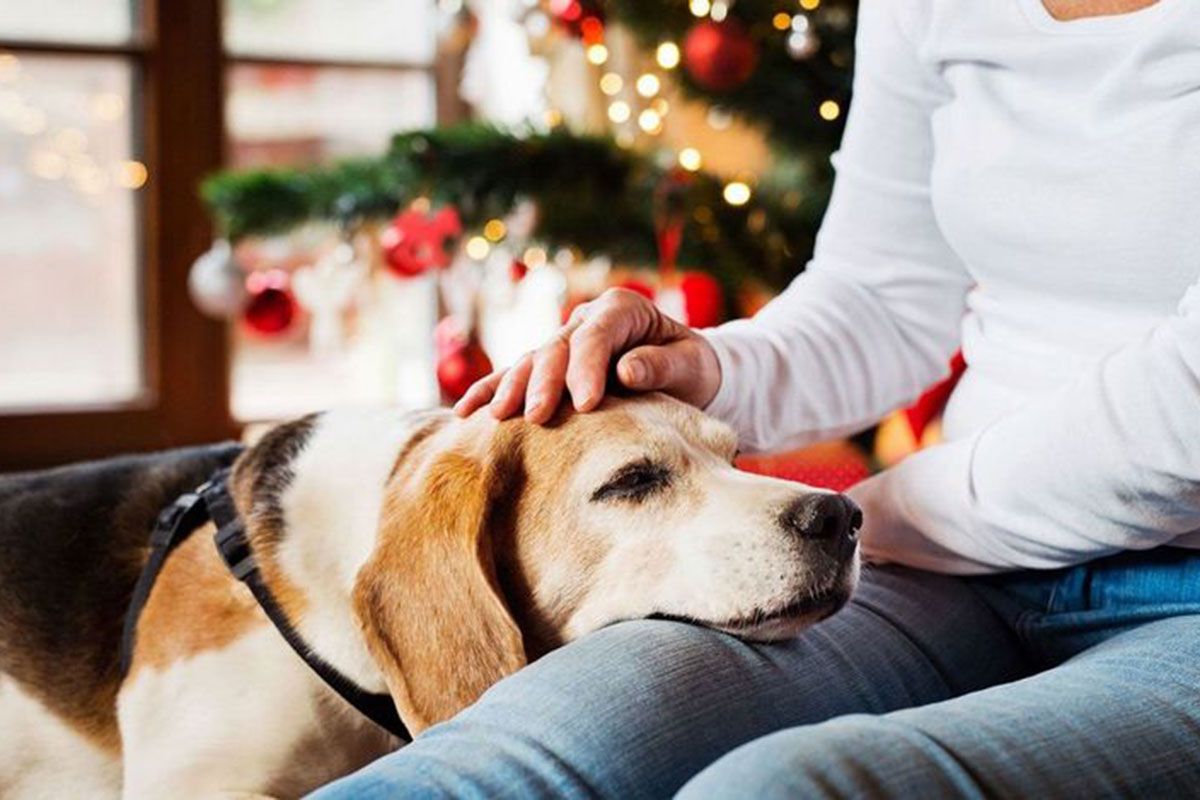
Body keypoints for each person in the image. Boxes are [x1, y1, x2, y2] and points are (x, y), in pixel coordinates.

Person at [314, 0, 1200, 796]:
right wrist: (698, 370)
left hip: (1150, 595)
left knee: (788, 787)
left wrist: (884, 513)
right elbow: (884, 297)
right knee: (503, 763)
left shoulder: (911, 518)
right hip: (955, 578)